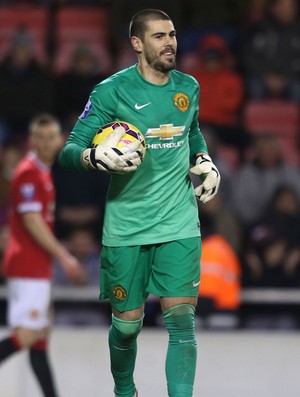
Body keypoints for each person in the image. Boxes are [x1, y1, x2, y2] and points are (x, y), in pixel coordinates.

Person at [59, 8, 221, 397]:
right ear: (137, 44)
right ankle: (124, 392)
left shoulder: (188, 87)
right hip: (127, 225)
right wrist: (92, 157)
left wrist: (204, 159)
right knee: (128, 325)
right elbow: (69, 150)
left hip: (179, 221)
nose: (170, 43)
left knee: (182, 322)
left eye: (173, 35)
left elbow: (191, 132)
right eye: (159, 36)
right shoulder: (110, 92)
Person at [0, 114, 85, 397]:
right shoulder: (29, 173)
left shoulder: (42, 172)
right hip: (28, 266)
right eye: (41, 137)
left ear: (60, 140)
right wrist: (64, 256)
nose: (47, 143)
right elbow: (32, 220)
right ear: (32, 140)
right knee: (28, 335)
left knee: (39, 338)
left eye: (52, 137)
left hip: (37, 266)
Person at [240, 0, 300, 102]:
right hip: (262, 77)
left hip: (290, 78)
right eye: (286, 7)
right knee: (255, 88)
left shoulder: (297, 32)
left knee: (297, 89)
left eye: (292, 7)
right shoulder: (258, 29)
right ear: (274, 8)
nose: (290, 10)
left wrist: (285, 77)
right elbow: (247, 57)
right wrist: (266, 76)